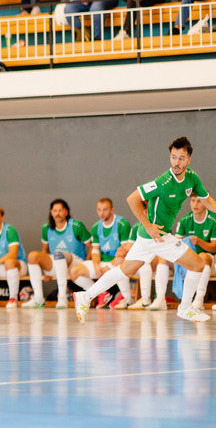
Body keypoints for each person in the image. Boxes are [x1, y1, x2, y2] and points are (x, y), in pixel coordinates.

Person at [76, 137, 216, 324]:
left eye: (181, 158)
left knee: (124, 270)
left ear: (188, 159)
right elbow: (132, 198)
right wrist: (148, 225)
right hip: (156, 236)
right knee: (198, 264)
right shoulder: (163, 181)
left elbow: (206, 199)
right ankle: (184, 308)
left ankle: (85, 297)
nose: (176, 162)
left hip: (148, 238)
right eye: (173, 157)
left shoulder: (192, 178)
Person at [24, 199, 92, 309]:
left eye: (60, 210)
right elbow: (44, 249)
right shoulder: (46, 227)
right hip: (57, 261)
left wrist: (87, 264)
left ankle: (62, 297)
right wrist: (46, 270)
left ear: (66, 212)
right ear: (51, 212)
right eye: (55, 211)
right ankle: (38, 298)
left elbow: (92, 246)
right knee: (32, 256)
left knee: (58, 253)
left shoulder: (76, 225)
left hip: (76, 262)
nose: (57, 213)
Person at [68, 198, 134, 309]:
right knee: (74, 272)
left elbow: (124, 252)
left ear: (112, 210)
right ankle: (102, 294)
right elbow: (95, 250)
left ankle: (127, 298)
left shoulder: (122, 224)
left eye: (105, 210)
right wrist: (96, 266)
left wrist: (108, 267)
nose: (101, 213)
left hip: (118, 262)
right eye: (99, 210)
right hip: (103, 264)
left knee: (120, 269)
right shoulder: (96, 227)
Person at [168, 195, 216, 312]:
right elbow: (175, 244)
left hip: (210, 262)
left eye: (199, 201)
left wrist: (199, 241)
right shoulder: (184, 220)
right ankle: (158, 299)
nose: (195, 204)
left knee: (203, 257)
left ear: (206, 203)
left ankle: (199, 300)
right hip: (190, 263)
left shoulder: (213, 219)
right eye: (193, 201)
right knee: (162, 259)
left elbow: (213, 248)